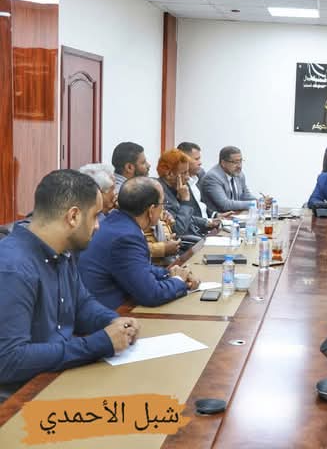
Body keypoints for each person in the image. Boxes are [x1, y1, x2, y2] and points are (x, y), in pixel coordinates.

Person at [0, 170, 140, 401]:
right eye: (95, 216)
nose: (98, 226)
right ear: (73, 216)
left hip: (57, 378)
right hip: (20, 399)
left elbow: (81, 305)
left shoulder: (64, 251)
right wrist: (98, 343)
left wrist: (113, 321)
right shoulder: (13, 267)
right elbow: (9, 360)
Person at [79, 177, 198, 310]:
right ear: (151, 210)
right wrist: (179, 280)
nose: (163, 208)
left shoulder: (116, 222)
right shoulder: (126, 237)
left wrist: (169, 273)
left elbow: (140, 268)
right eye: (162, 203)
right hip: (111, 314)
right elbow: (152, 294)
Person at [156, 149, 218, 237]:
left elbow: (186, 217)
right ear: (169, 174)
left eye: (188, 172)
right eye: (184, 173)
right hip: (182, 242)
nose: (188, 177)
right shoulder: (159, 194)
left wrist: (207, 223)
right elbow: (178, 229)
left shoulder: (175, 188)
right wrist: (185, 202)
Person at [201, 146, 258, 214]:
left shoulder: (239, 174)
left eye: (240, 161)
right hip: (220, 218)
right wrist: (254, 204)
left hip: (237, 215)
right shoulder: (212, 177)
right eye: (235, 162)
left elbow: (245, 195)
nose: (239, 166)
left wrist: (261, 201)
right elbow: (225, 204)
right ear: (223, 163)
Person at [178, 141, 214, 220]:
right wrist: (207, 223)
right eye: (196, 159)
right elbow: (187, 216)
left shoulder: (199, 175)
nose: (200, 163)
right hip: (198, 226)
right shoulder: (179, 184)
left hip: (208, 223)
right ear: (185, 160)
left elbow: (201, 204)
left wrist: (216, 215)